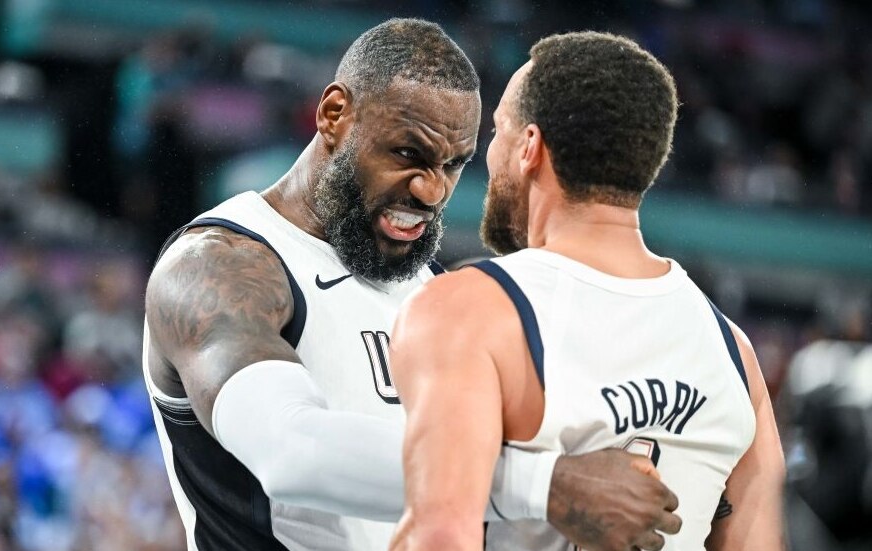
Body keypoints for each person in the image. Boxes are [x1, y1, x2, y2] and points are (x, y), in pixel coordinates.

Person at [144, 20, 681, 551]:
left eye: (454, 164)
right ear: (334, 115)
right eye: (407, 154)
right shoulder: (219, 266)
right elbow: (291, 451)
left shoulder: (436, 292)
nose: (431, 189)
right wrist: (546, 484)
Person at [388, 31, 786, 551]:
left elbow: (439, 535)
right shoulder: (736, 354)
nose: (489, 156)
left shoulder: (469, 308)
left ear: (529, 147)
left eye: (498, 132)